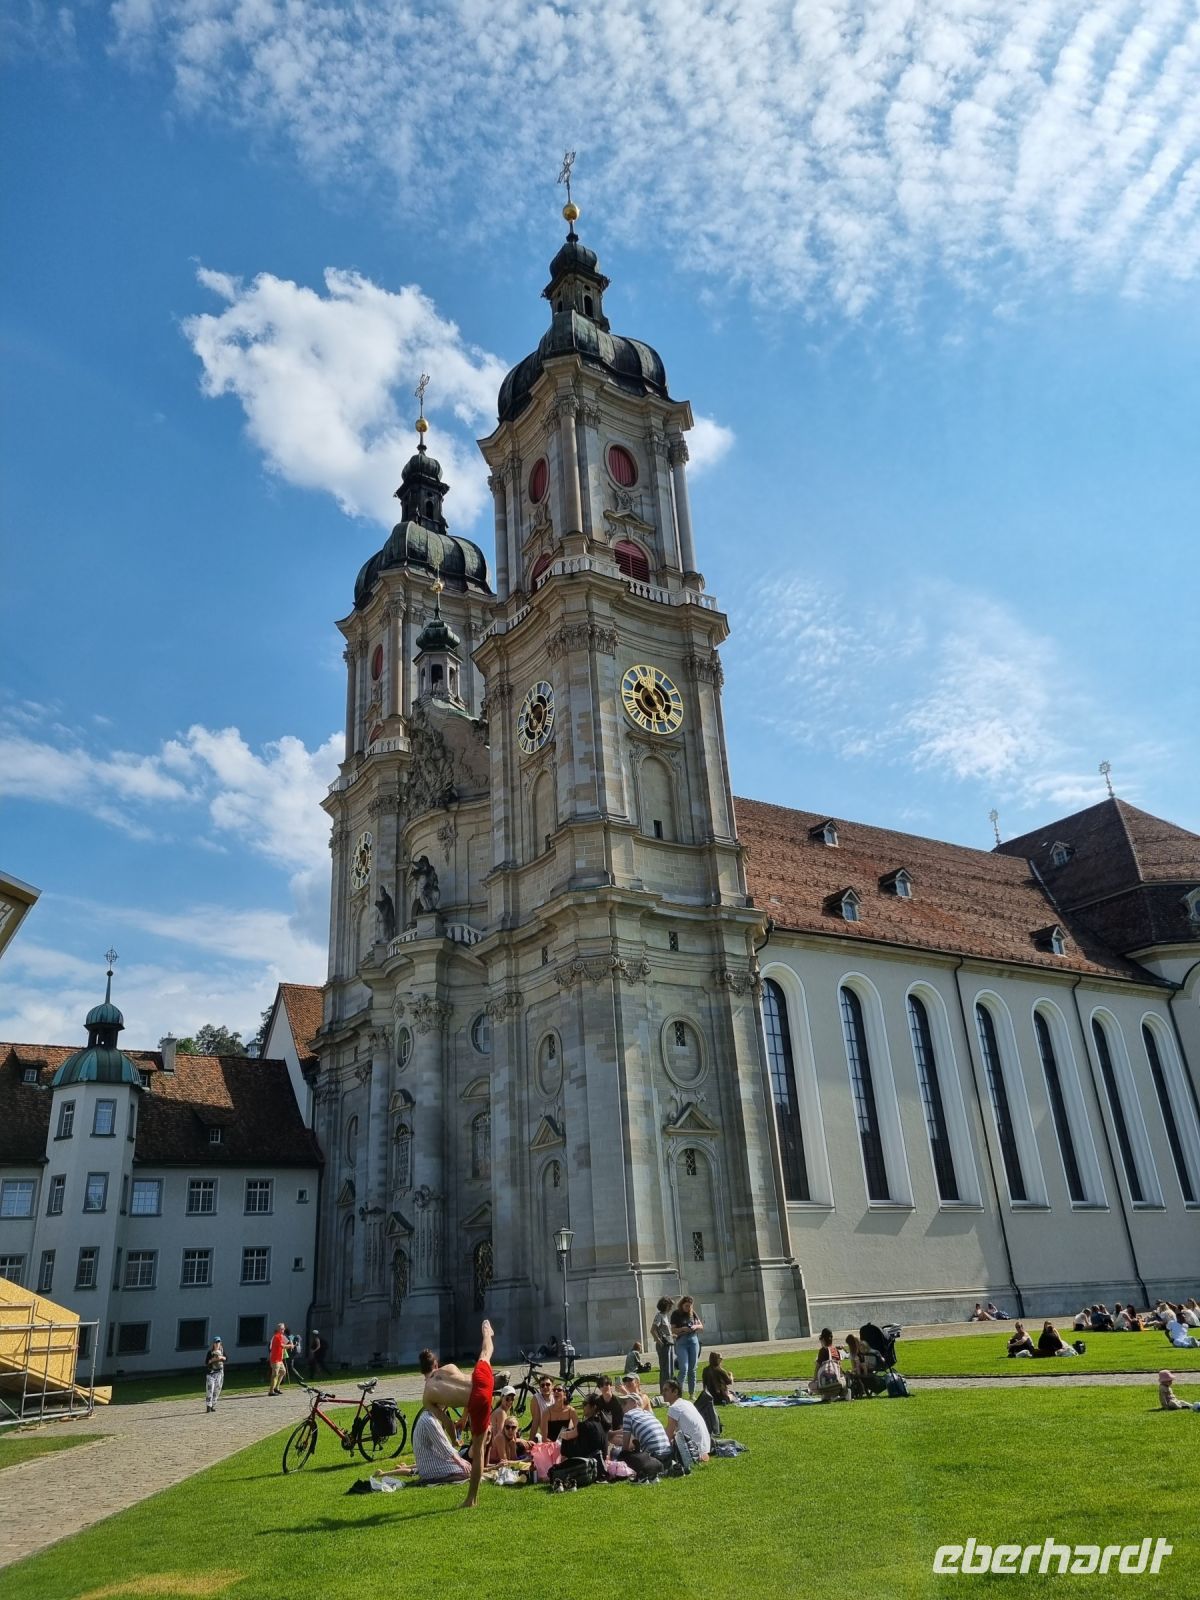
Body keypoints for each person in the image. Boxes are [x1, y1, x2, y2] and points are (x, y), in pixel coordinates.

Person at [418, 1319, 495, 1508]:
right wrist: (464, 1417)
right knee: (485, 1353)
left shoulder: (427, 1396)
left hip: (478, 1399)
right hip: (482, 1380)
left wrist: (455, 1441)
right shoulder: (449, 1367)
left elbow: (446, 1422)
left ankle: (471, 1499)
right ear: (436, 1364)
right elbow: (469, 1389)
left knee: (478, 1451)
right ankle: (487, 1331)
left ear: (422, 1371)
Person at [612, 1392, 672, 1473]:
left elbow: (625, 1448)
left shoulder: (628, 1415)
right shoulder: (648, 1414)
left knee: (619, 1453)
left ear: (634, 1403)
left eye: (624, 1403)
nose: (622, 1406)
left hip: (653, 1457)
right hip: (668, 1455)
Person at [661, 1378, 710, 1461]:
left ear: (675, 1392)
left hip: (692, 1451)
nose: (663, 1393)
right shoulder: (687, 1403)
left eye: (666, 1390)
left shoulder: (674, 1408)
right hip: (705, 1448)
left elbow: (668, 1435)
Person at [558, 1393, 608, 1467]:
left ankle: (563, 1464)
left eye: (585, 1404)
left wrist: (560, 1433)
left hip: (588, 1462)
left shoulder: (585, 1425)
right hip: (600, 1462)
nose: (582, 1406)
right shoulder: (602, 1423)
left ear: (594, 1407)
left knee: (566, 1438)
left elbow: (567, 1436)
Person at [670, 1295, 704, 1397]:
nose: (688, 1308)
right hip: (682, 1342)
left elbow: (701, 1327)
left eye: (690, 1306)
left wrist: (695, 1326)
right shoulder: (676, 1314)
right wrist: (683, 1329)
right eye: (686, 1306)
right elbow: (672, 1330)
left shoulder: (692, 1313)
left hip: (693, 1341)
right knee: (684, 1368)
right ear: (682, 1304)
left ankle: (691, 1393)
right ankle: (678, 1393)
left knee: (692, 1369)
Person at [808, 1329, 847, 1399]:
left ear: (823, 1339)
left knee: (811, 1385)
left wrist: (814, 1379)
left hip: (825, 1385)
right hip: (837, 1383)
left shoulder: (823, 1350)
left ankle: (827, 1395)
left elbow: (817, 1367)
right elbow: (839, 1366)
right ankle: (835, 1394)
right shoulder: (835, 1350)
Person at [652, 1296, 675, 1392]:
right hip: (664, 1345)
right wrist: (659, 1341)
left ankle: (669, 1389)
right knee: (665, 1369)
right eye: (669, 1305)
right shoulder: (659, 1316)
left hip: (669, 1343)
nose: (671, 1308)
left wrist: (672, 1335)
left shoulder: (665, 1316)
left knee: (671, 1369)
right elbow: (653, 1330)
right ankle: (664, 1390)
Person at [204, 1337, 226, 1411]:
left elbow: (226, 1358)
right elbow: (206, 1362)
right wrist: (212, 1360)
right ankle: (208, 1406)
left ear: (220, 1343)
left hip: (219, 1373)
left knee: (217, 1390)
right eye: (216, 1342)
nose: (217, 1344)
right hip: (211, 1373)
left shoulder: (222, 1351)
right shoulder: (210, 1352)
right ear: (213, 1344)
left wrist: (221, 1357)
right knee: (210, 1389)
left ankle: (213, 1405)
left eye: (218, 1342)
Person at [268, 1322, 289, 1394]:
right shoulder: (276, 1336)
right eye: (282, 1329)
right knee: (275, 1374)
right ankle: (271, 1391)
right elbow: (282, 1345)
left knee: (283, 1372)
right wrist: (290, 1346)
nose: (284, 1330)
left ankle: (277, 1387)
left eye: (284, 1328)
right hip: (275, 1359)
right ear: (279, 1329)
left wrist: (290, 1345)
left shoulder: (281, 1336)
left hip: (279, 1359)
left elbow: (284, 1344)